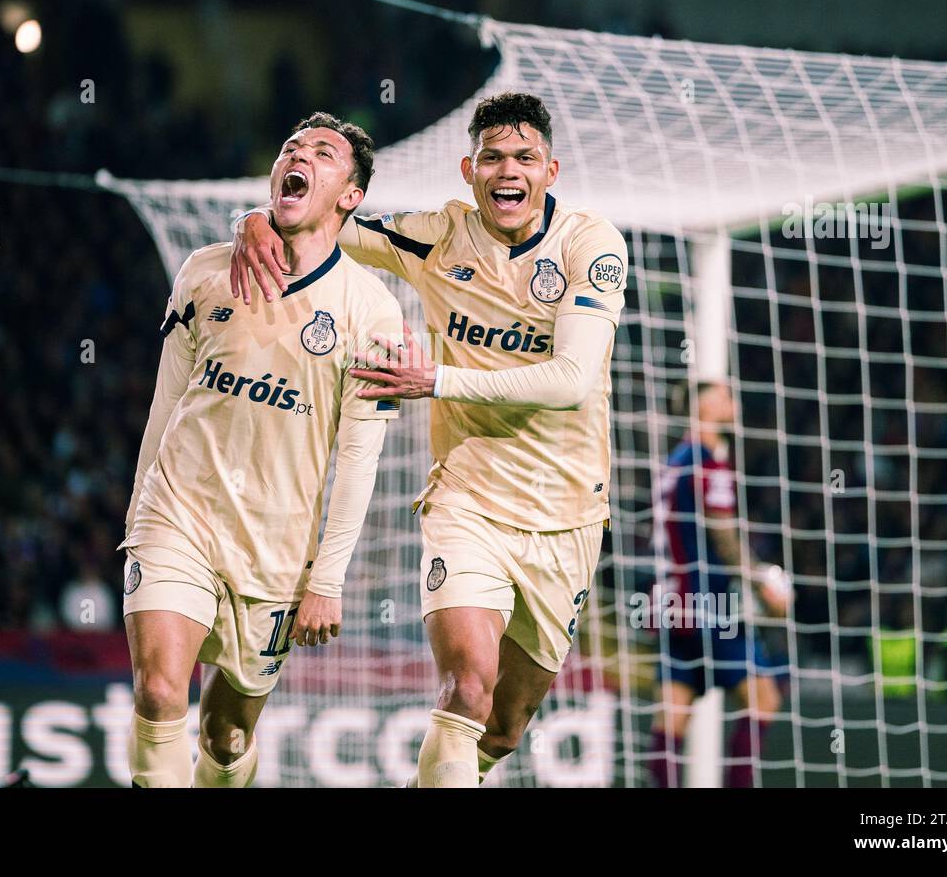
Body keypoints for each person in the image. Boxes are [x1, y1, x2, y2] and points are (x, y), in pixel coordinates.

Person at [233, 92, 626, 787]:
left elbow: (569, 380)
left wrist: (436, 379)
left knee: (502, 730)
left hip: (568, 516)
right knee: (466, 690)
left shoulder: (588, 247)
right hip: (467, 503)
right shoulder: (437, 237)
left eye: (525, 158)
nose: (510, 170)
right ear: (469, 170)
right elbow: (321, 220)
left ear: (551, 170)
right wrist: (255, 219)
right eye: (494, 158)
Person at [121, 113, 403, 787]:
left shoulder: (372, 310)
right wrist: (138, 515)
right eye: (289, 148)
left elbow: (359, 457)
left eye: (323, 154)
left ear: (350, 195)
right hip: (178, 516)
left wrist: (326, 581)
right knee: (160, 691)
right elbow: (166, 401)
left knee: (226, 736)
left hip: (276, 548)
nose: (298, 157)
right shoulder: (205, 272)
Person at [649, 380, 788, 787]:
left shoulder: (676, 459)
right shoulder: (707, 461)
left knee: (673, 715)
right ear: (705, 406)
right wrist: (763, 581)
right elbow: (723, 533)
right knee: (765, 699)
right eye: (725, 395)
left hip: (672, 604)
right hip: (708, 604)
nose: (734, 402)